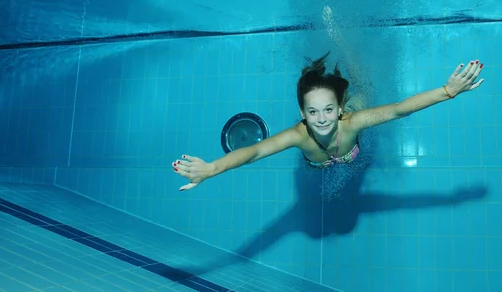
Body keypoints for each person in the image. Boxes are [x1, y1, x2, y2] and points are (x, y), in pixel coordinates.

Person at [172, 53, 485, 191]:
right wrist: (212, 168)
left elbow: (399, 110)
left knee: (364, 87)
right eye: (312, 112)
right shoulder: (299, 135)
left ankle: (345, 51)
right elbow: (254, 152)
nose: (320, 119)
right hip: (320, 161)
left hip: (351, 142)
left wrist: (447, 91)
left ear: (338, 110)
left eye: (327, 110)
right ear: (302, 114)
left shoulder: (352, 122)